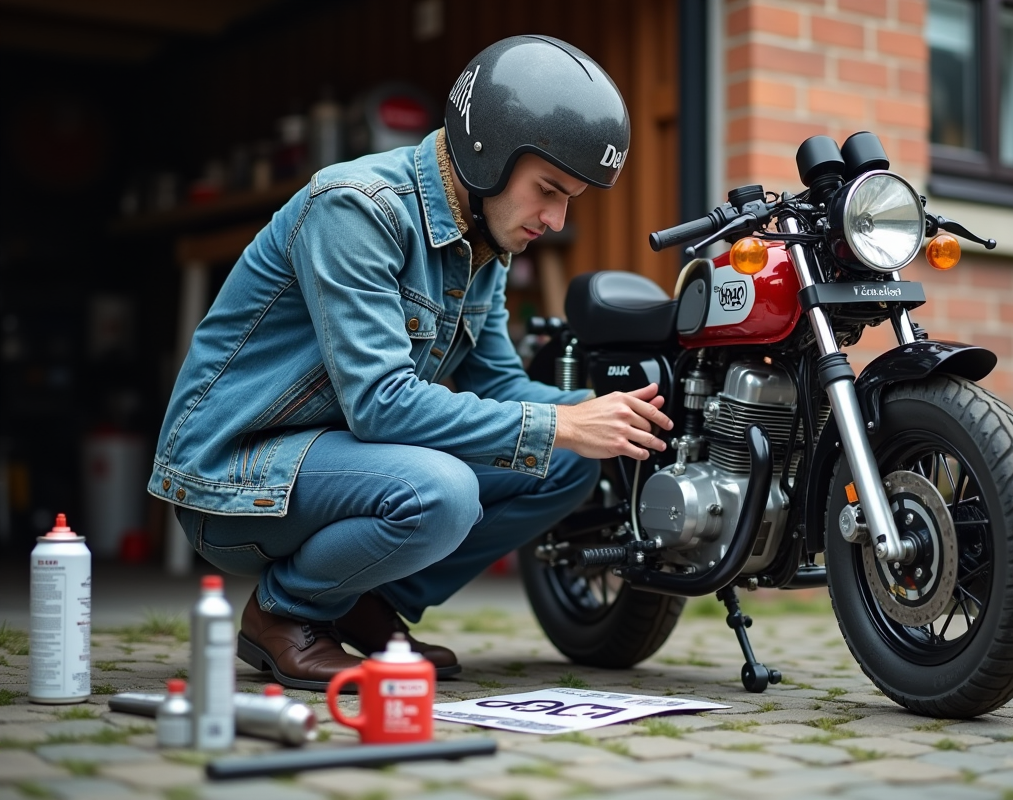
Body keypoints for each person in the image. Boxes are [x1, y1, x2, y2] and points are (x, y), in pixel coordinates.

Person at [146, 34, 673, 691]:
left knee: (569, 461)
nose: (558, 219)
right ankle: (286, 614)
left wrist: (611, 419)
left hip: (336, 463)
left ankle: (363, 598)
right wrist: (561, 423)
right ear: (487, 153)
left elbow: (500, 386)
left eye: (572, 198)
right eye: (548, 189)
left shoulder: (483, 243)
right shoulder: (355, 209)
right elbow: (380, 403)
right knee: (441, 491)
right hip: (235, 474)